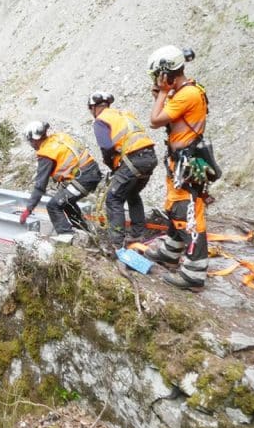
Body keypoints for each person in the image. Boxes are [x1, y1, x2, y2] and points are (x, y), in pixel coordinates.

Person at [144, 45, 209, 290]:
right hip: (179, 159)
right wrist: (161, 94)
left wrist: (162, 93)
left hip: (187, 161)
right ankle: (171, 252)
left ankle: (194, 272)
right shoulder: (183, 90)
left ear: (167, 73)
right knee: (174, 207)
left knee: (187, 213)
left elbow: (155, 120)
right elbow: (171, 117)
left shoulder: (187, 94)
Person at [88, 91, 158, 252]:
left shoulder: (100, 121)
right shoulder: (124, 114)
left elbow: (106, 146)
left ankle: (116, 244)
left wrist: (110, 164)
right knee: (132, 193)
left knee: (113, 199)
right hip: (149, 157)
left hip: (134, 159)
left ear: (93, 107)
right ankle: (138, 233)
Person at [20, 121, 102, 241]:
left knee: (53, 206)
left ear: (35, 139)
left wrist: (28, 209)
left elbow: (40, 186)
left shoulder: (46, 153)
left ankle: (66, 237)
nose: (32, 145)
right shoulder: (58, 137)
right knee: (66, 202)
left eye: (31, 141)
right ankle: (83, 232)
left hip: (84, 178)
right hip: (91, 171)